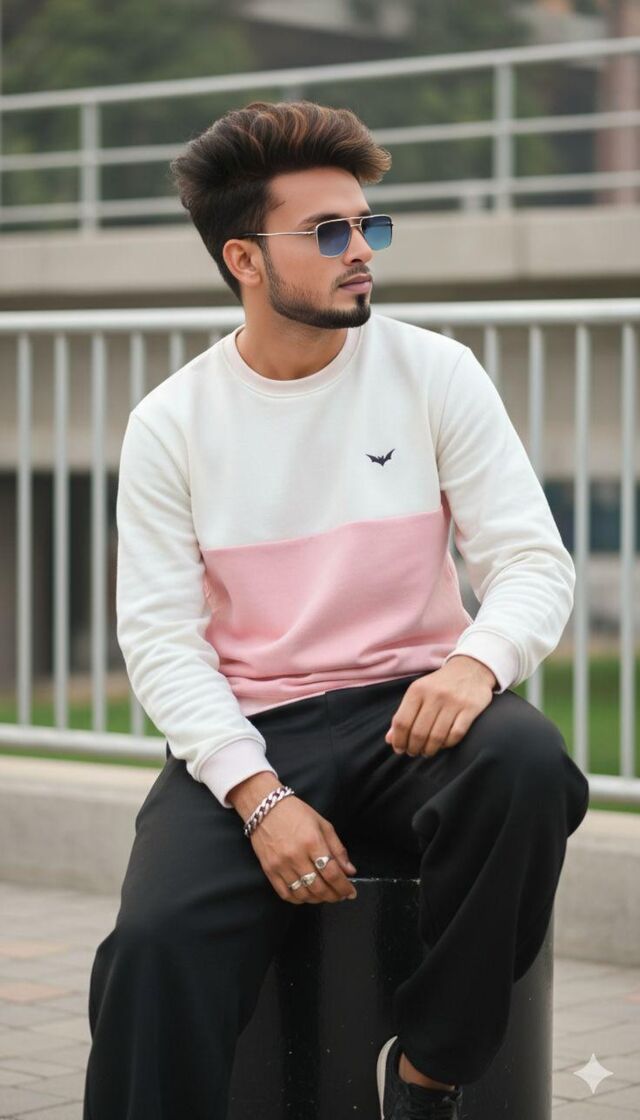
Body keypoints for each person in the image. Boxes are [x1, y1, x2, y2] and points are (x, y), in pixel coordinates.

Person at [82, 99, 590, 1120]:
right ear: (243, 259)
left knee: (531, 766)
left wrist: (475, 661)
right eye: (327, 232)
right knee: (153, 945)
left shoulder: (433, 372)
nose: (361, 250)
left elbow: (532, 561)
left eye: (368, 225)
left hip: (413, 713)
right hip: (255, 725)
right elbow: (162, 642)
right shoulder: (172, 422)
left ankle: (429, 1074)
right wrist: (256, 795)